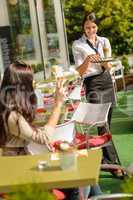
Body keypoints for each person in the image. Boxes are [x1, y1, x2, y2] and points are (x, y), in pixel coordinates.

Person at [72, 12, 123, 178]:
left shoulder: (104, 41)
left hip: (106, 80)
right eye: (87, 27)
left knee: (107, 122)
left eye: (93, 27)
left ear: (97, 27)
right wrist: (88, 60)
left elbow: (108, 66)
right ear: (83, 28)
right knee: (102, 123)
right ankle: (114, 165)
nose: (91, 30)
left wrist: (103, 60)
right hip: (92, 83)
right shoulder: (77, 44)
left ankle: (104, 161)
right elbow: (79, 72)